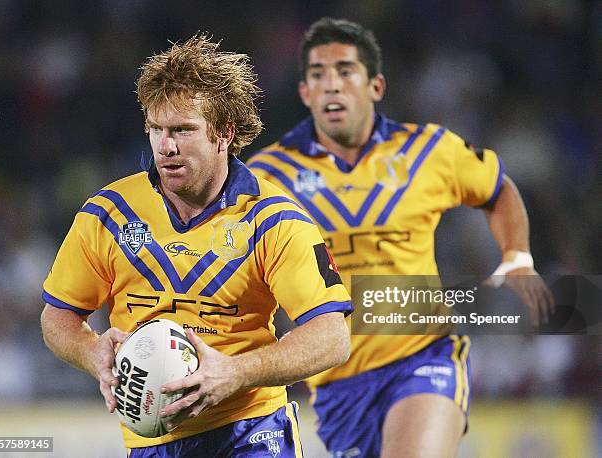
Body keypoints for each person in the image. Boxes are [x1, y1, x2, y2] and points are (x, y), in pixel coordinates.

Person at [247, 18, 554, 458]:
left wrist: (517, 254)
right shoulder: (266, 176)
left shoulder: (429, 150)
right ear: (305, 93)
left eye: (346, 72)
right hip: (337, 388)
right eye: (318, 75)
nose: (332, 86)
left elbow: (497, 189)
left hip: (423, 355)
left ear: (376, 86)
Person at [40, 33, 352, 457]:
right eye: (156, 129)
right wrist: (92, 354)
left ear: (224, 133)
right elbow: (57, 316)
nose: (165, 147)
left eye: (183, 130)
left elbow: (331, 337)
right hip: (152, 439)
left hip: (251, 431)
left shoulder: (274, 220)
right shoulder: (108, 214)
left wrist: (236, 373)